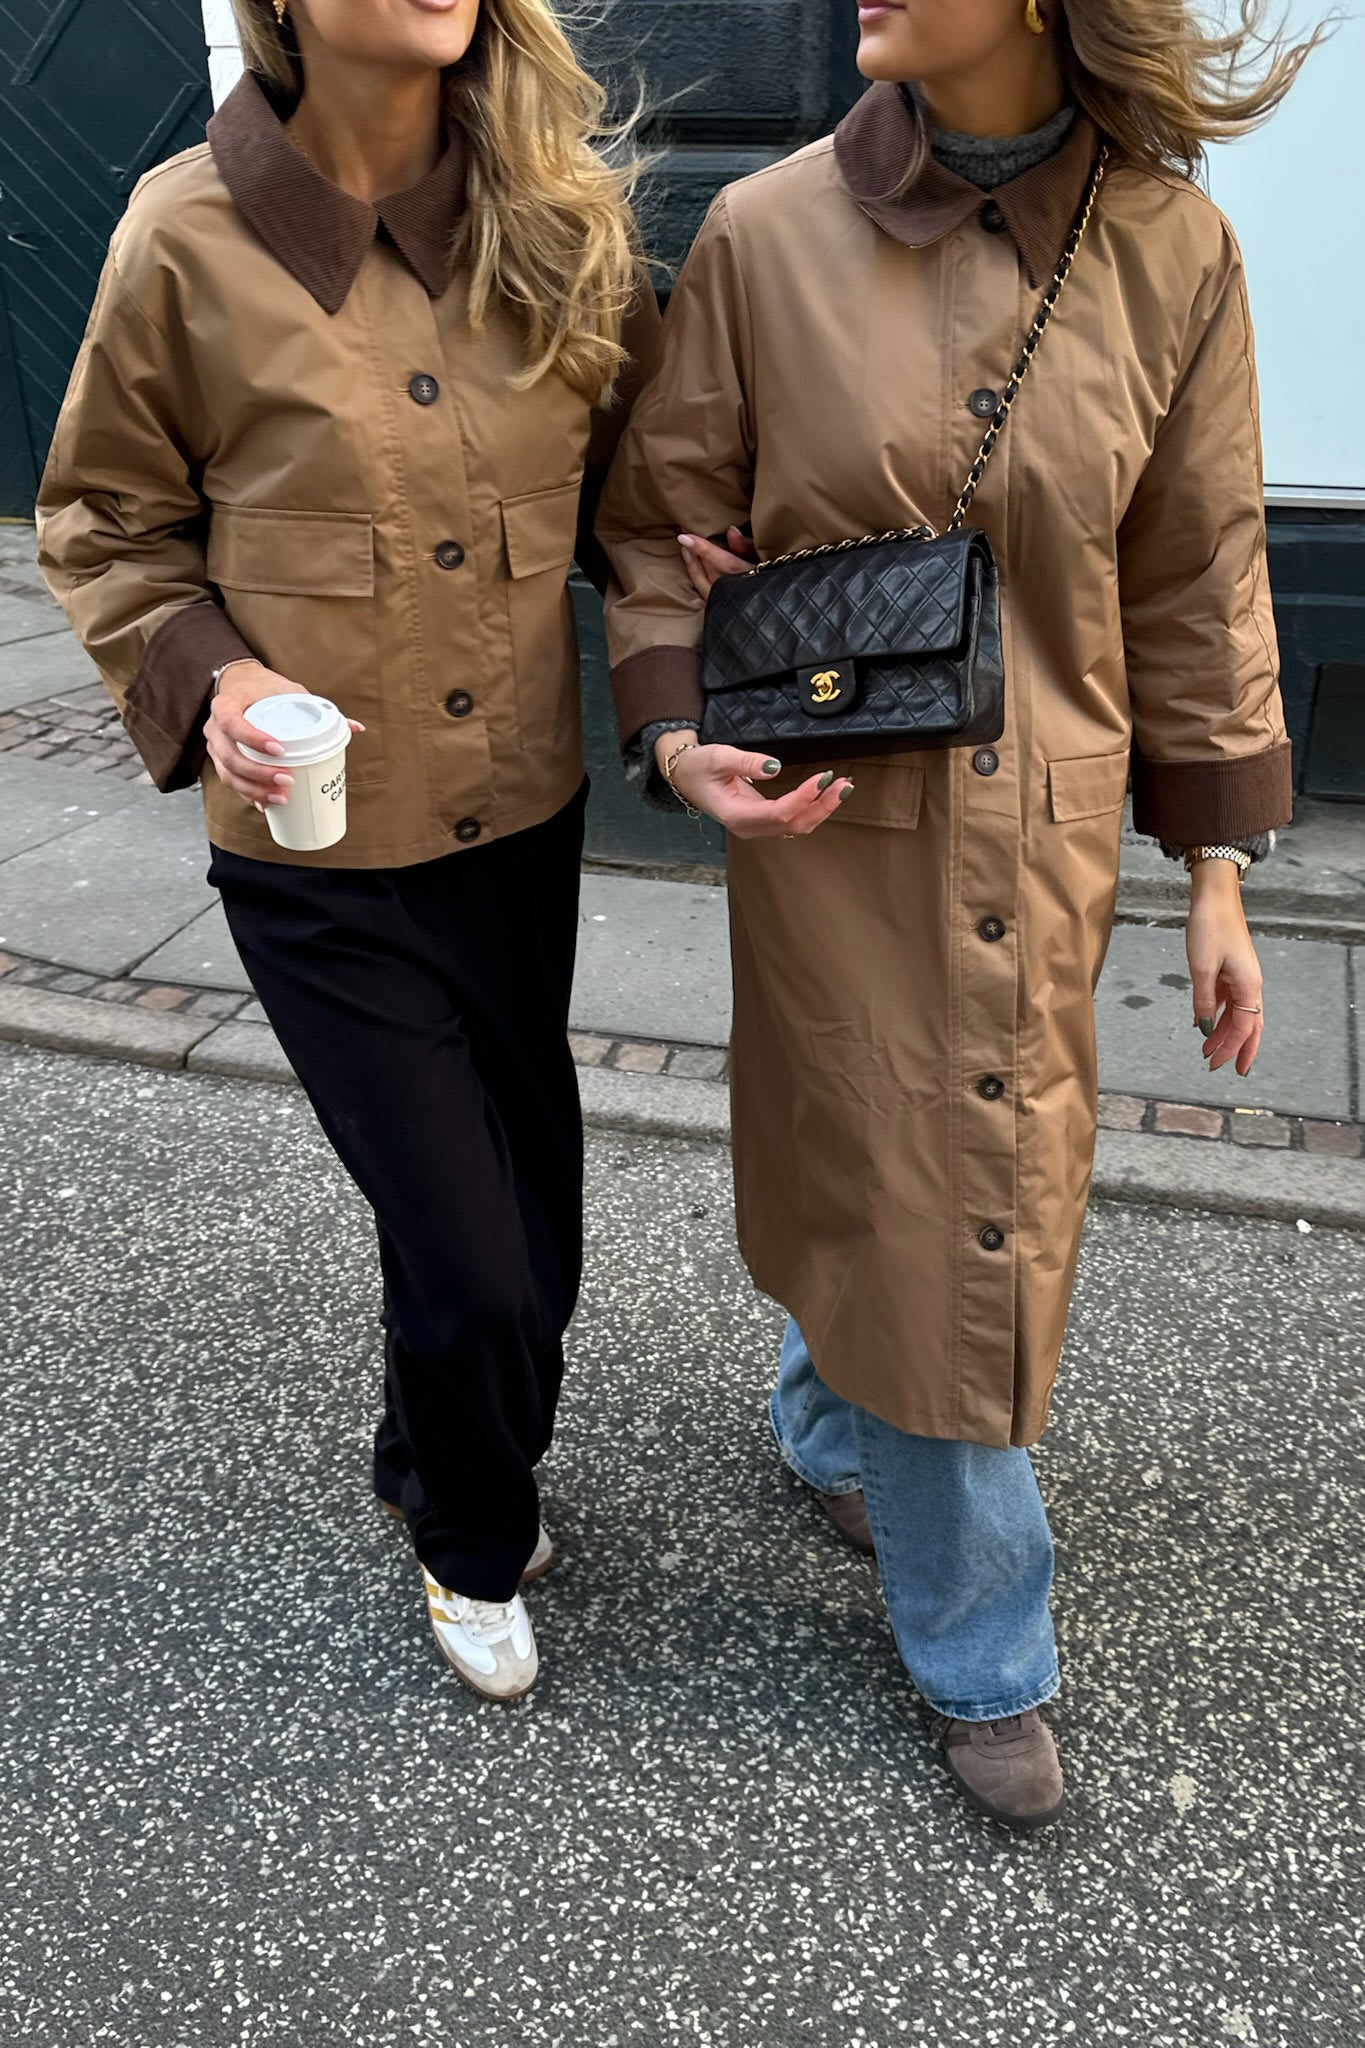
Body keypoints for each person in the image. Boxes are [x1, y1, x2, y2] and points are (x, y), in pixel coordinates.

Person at [596, 0, 1317, 1825]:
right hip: (836, 822)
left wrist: (1214, 874)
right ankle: (983, 1645)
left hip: (1045, 833)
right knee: (921, 1193)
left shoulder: (1172, 247)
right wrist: (676, 735)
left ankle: (826, 1418)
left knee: (945, 1177)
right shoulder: (764, 233)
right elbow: (659, 517)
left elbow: (1198, 573)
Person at [38, 0, 658, 1702]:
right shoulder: (184, 235)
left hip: (518, 823)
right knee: (475, 1262)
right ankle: (469, 1537)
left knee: (530, 1223)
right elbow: (106, 518)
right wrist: (215, 674)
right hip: (316, 859)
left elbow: (648, 488)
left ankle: (417, 1445)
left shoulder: (557, 219)